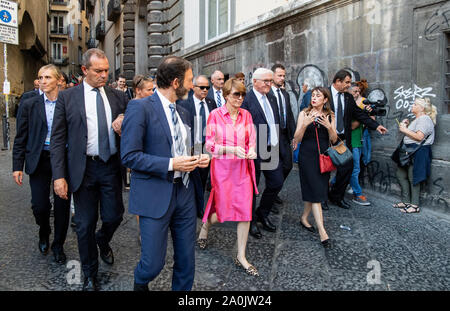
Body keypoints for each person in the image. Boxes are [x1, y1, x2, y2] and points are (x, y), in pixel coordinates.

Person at [121, 56, 210, 291]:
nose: (192, 85)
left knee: (186, 261)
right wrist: (172, 164)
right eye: (190, 80)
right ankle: (140, 284)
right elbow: (129, 156)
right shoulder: (140, 107)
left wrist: (200, 156)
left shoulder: (184, 111)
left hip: (185, 194)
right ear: (175, 82)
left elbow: (192, 145)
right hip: (154, 195)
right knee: (152, 265)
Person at [50, 48, 128, 291]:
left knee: (114, 215)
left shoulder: (117, 96)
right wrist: (59, 176)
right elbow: (57, 139)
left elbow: (134, 119)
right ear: (84, 70)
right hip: (82, 169)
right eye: (98, 71)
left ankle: (102, 240)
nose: (104, 75)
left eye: (106, 70)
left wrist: (124, 117)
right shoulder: (68, 97)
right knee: (84, 224)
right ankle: (89, 274)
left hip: (110, 167)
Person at [197, 78, 259, 276]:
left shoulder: (246, 115)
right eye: (236, 94)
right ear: (226, 96)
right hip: (222, 169)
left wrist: (252, 151)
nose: (240, 98)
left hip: (243, 168)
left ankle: (241, 255)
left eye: (242, 95)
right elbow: (210, 145)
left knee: (245, 211)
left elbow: (252, 140)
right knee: (223, 211)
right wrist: (231, 148)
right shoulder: (215, 115)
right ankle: (206, 223)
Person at [12, 64, 71, 264]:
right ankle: (44, 230)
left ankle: (58, 245)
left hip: (63, 158)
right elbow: (21, 137)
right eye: (40, 77)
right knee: (39, 206)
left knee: (62, 205)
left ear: (58, 80)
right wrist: (17, 166)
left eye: (47, 77)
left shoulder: (68, 102)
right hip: (39, 158)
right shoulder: (30, 104)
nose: (43, 81)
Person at [326, 69, 387, 210]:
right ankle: (322, 197)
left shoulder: (347, 98)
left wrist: (376, 126)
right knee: (325, 169)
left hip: (342, 139)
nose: (349, 85)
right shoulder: (325, 94)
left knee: (346, 167)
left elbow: (360, 114)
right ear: (337, 81)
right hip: (326, 138)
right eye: (347, 82)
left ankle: (337, 197)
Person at [241, 68, 284, 239]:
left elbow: (275, 121)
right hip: (253, 151)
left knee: (276, 182)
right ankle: (250, 221)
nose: (269, 84)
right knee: (251, 188)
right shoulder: (246, 100)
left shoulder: (271, 98)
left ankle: (262, 212)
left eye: (270, 81)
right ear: (255, 81)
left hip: (270, 149)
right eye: (265, 81)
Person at [293, 87, 337, 248]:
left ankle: (304, 218)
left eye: (318, 96)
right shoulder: (304, 113)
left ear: (325, 99)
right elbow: (296, 138)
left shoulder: (330, 115)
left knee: (315, 189)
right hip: (307, 157)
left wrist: (329, 126)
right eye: (313, 95)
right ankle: (322, 232)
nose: (314, 98)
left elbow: (333, 139)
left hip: (323, 157)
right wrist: (305, 124)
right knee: (317, 193)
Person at [393, 98, 437, 214]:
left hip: (418, 152)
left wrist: (404, 129)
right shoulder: (417, 119)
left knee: (414, 178)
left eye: (415, 104)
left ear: (421, 108)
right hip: (409, 151)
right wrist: (406, 125)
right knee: (401, 174)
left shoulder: (424, 119)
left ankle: (414, 205)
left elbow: (419, 137)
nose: (412, 106)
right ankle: (406, 201)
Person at [178, 75, 217, 194]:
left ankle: (200, 209)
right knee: (191, 179)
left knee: (203, 178)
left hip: (207, 146)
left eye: (207, 87)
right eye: (201, 87)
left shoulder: (211, 103)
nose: (205, 90)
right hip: (192, 146)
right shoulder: (183, 104)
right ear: (193, 88)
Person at [268, 64, 296, 210]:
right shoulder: (267, 94)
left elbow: (289, 115)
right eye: (279, 75)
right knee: (272, 170)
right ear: (272, 76)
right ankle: (270, 197)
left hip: (285, 136)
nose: (282, 78)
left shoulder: (285, 94)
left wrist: (294, 136)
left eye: (284, 76)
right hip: (272, 138)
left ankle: (274, 191)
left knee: (288, 166)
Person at [347, 83, 371, 206]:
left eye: (358, 91)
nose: (358, 94)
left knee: (350, 168)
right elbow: (352, 126)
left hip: (359, 141)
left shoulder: (358, 106)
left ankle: (332, 183)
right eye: (355, 91)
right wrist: (363, 115)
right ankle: (357, 193)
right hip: (353, 142)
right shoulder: (350, 107)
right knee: (355, 169)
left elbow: (372, 121)